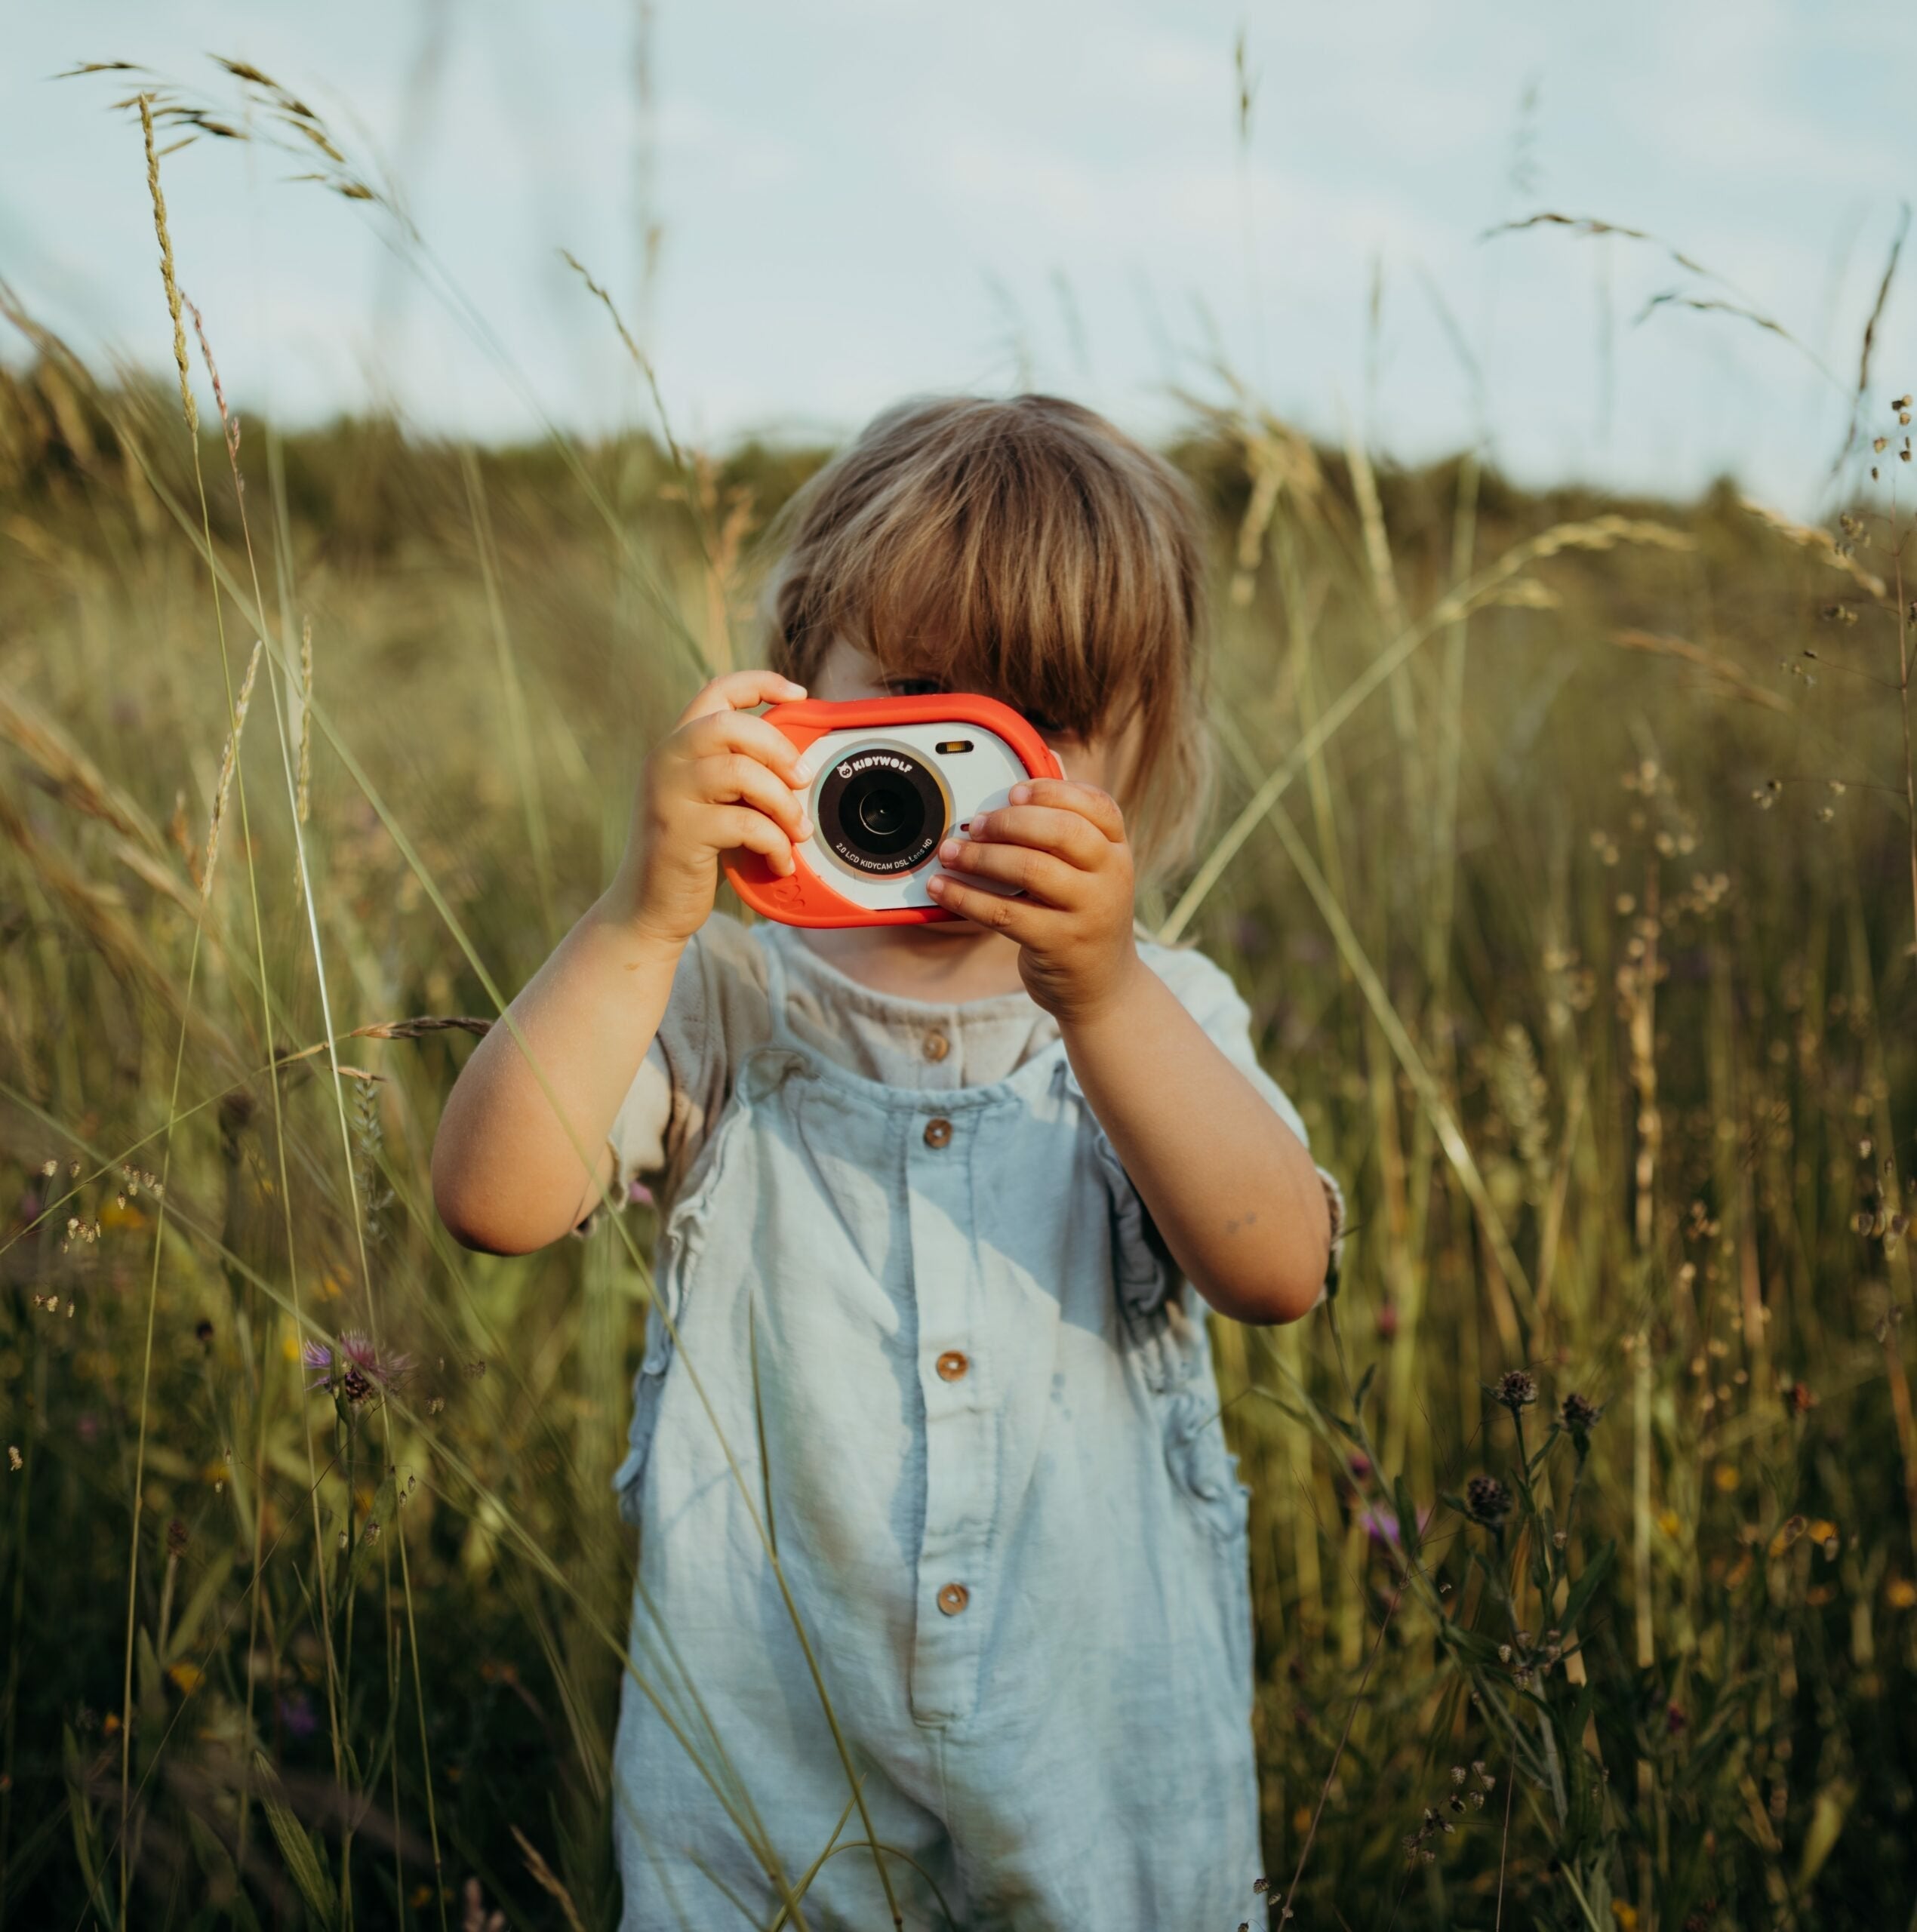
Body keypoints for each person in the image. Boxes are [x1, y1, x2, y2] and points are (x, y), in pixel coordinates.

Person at [432, 395, 1343, 1930]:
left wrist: (1104, 993)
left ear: (1137, 758)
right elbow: (493, 1200)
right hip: (771, 1785)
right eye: (915, 702)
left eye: (1043, 728)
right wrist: (640, 918)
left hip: (1095, 1775)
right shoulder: (719, 1000)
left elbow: (1278, 1268)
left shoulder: (1162, 1013)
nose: (967, 774)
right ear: (797, 703)